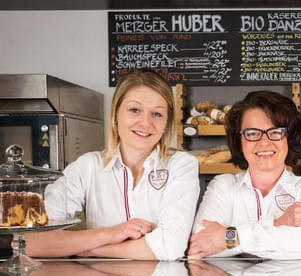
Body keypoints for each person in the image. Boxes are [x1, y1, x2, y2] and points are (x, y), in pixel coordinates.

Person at [26, 69, 199, 260]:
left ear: (167, 122)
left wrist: (87, 249)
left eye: (157, 114)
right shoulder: (87, 167)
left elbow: (170, 247)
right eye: (135, 110)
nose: (146, 122)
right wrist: (110, 234)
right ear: (116, 113)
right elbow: (33, 242)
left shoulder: (181, 165)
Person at [188, 91, 301, 259]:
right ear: (239, 140)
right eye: (252, 133)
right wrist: (278, 224)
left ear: (289, 138)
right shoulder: (222, 185)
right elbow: (200, 243)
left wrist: (229, 238)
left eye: (275, 132)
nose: (264, 142)